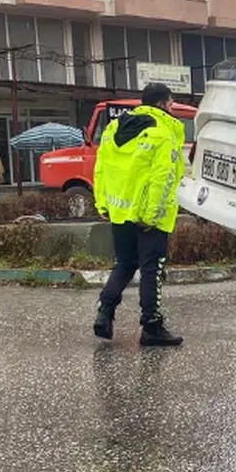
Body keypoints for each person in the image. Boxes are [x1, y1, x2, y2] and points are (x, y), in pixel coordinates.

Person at [92, 83, 186, 346]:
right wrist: (152, 215)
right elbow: (163, 178)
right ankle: (152, 326)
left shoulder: (113, 129)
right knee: (151, 269)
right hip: (148, 216)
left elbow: (101, 169)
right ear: (161, 104)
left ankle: (105, 312)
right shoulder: (163, 134)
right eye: (170, 104)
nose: (172, 109)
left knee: (124, 263)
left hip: (119, 210)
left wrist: (103, 204)